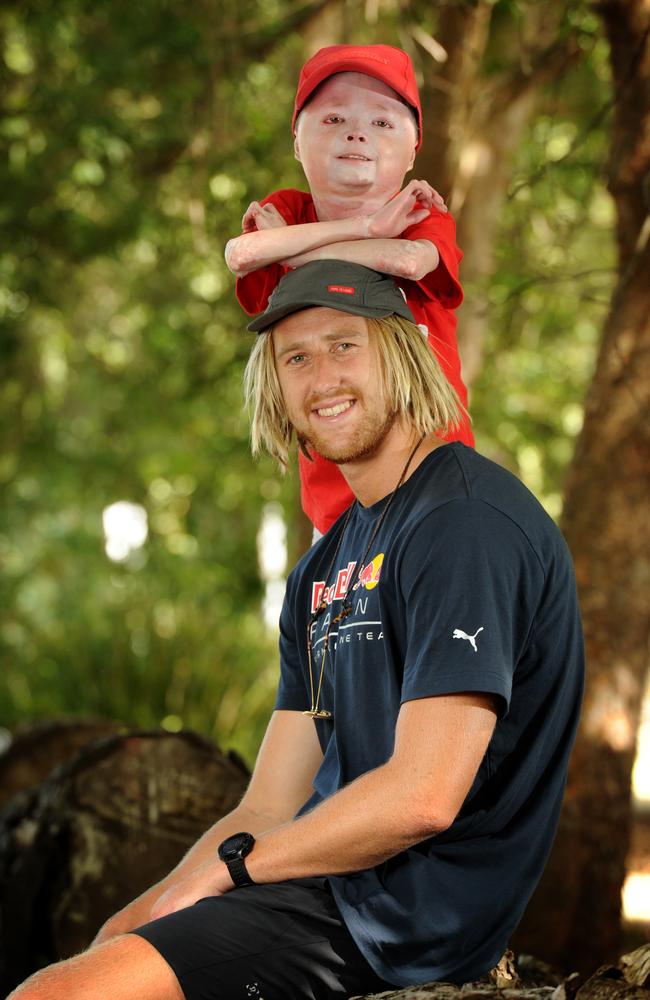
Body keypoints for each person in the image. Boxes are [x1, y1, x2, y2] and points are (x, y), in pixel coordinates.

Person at [9, 261, 584, 1000]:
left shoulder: (463, 523)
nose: (323, 379)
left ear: (403, 355)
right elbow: (266, 806)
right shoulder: (323, 567)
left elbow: (422, 796)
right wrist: (142, 912)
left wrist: (235, 867)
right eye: (296, 358)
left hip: (402, 923)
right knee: (97, 954)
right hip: (318, 889)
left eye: (346, 346)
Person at [225, 44, 474, 535]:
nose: (357, 132)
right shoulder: (288, 209)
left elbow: (406, 259)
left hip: (431, 479)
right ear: (297, 143)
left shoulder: (422, 213)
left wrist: (293, 254)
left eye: (383, 122)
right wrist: (367, 227)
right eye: (333, 118)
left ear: (413, 149)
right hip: (335, 503)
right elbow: (241, 255)